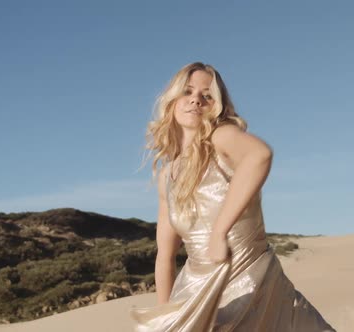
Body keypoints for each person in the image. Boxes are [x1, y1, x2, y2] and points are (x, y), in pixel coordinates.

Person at [130, 62, 336, 331]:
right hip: (197, 292)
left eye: (207, 95)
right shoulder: (167, 176)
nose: (196, 100)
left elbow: (260, 155)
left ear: (217, 106)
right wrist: (166, 314)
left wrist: (219, 232)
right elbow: (165, 255)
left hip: (251, 284)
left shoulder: (221, 137)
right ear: (172, 101)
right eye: (187, 91)